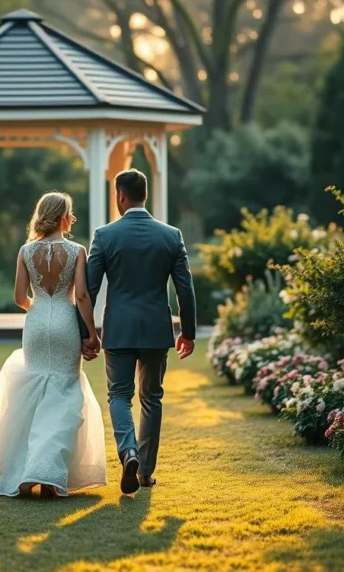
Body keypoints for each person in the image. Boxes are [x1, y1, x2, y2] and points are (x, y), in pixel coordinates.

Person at [0, 191, 107, 497]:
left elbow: (19, 298)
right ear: (63, 217)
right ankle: (46, 475)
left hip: (35, 324)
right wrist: (92, 332)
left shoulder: (25, 251)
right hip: (65, 323)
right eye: (70, 214)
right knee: (63, 396)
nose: (72, 218)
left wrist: (38, 307)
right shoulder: (77, 251)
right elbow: (82, 296)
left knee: (32, 392)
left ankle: (22, 471)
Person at [83, 168, 197, 495]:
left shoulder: (105, 235)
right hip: (157, 329)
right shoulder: (171, 235)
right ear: (144, 194)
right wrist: (187, 331)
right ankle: (145, 471)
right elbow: (185, 289)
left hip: (119, 329)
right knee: (152, 398)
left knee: (119, 395)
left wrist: (85, 334)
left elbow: (89, 289)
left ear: (120, 196)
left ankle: (128, 451)